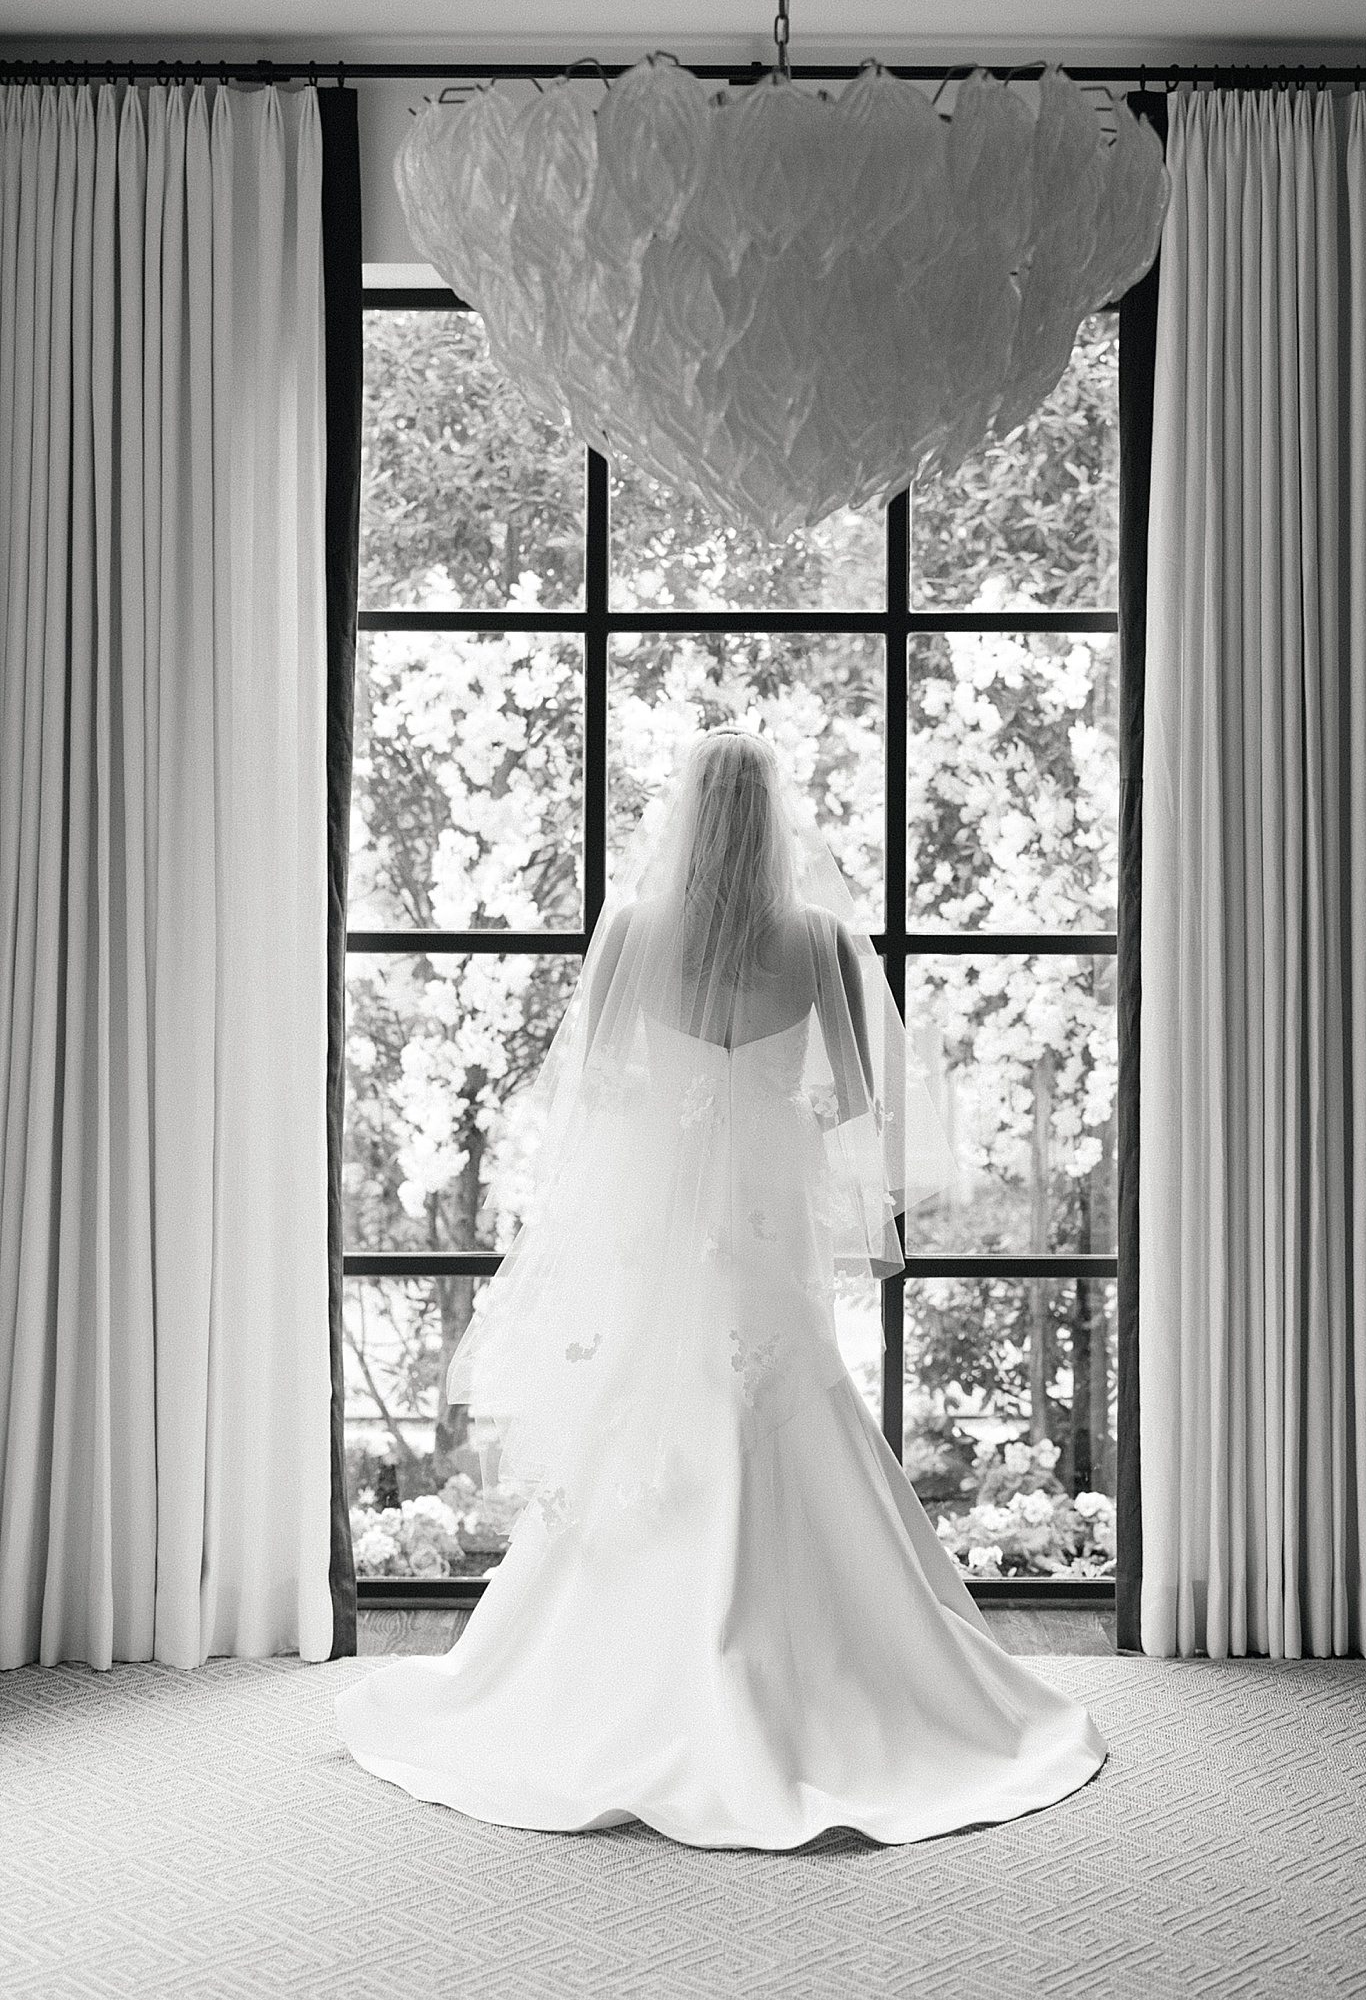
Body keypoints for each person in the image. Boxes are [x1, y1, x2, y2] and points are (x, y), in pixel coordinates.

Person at [334, 727, 1106, 1847]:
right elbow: (851, 1102)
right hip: (764, 1226)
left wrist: (672, 1123)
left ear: (686, 813)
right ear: (775, 814)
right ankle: (850, 1678)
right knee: (792, 1412)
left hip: (667, 1230)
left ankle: (613, 1684)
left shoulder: (633, 934)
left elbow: (592, 1096)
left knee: (652, 1423)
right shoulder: (822, 941)